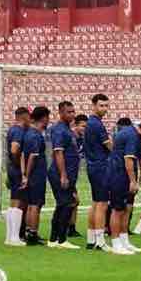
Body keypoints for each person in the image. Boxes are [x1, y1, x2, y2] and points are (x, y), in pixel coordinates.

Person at [107, 119, 141, 255]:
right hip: (119, 174)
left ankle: (124, 240)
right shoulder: (131, 136)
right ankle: (115, 242)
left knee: (126, 208)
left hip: (128, 175)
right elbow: (128, 159)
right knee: (117, 209)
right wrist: (132, 181)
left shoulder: (137, 136)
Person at [46, 101, 81, 250]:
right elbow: (58, 152)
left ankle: (54, 239)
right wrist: (63, 175)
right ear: (60, 113)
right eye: (69, 112)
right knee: (66, 204)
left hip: (69, 174)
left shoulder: (68, 129)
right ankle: (61, 239)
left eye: (73, 112)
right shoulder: (59, 130)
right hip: (60, 174)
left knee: (63, 205)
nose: (72, 114)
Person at [84, 94, 113, 251]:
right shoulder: (96, 124)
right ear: (93, 106)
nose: (104, 109)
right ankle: (100, 242)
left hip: (92, 166)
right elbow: (109, 145)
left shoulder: (91, 123)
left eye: (106, 106)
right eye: (101, 105)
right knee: (102, 204)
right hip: (100, 166)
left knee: (95, 203)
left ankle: (91, 239)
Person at [22, 106, 51, 246]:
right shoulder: (35, 135)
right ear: (44, 118)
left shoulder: (29, 133)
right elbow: (32, 157)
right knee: (36, 204)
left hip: (33, 174)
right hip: (36, 175)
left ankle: (29, 231)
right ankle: (33, 233)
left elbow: (23, 155)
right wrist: (27, 175)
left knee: (31, 204)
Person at [4, 107, 31, 247]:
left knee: (13, 201)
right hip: (17, 170)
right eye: (29, 117)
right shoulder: (18, 131)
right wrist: (21, 172)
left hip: (12, 169)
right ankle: (14, 237)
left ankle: (10, 236)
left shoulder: (12, 129)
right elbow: (15, 150)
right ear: (24, 117)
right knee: (18, 203)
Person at [67, 114, 88, 238]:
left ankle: (71, 228)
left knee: (74, 202)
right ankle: (66, 228)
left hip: (73, 174)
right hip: (66, 174)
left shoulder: (83, 139)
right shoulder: (70, 138)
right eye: (83, 126)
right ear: (75, 125)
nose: (85, 129)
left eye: (86, 126)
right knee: (71, 201)